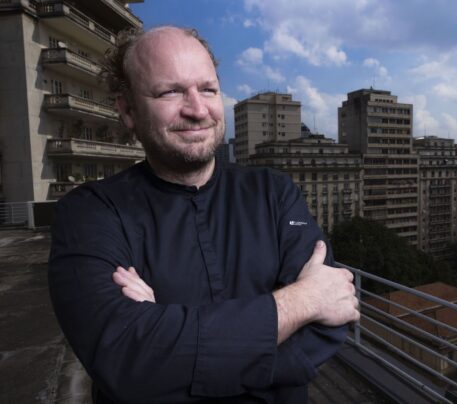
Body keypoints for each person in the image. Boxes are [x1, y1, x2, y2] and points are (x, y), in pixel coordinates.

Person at [48, 26, 359, 404]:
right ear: (128, 110)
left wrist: (170, 346)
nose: (197, 110)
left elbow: (331, 321)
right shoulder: (88, 214)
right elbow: (125, 357)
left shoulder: (275, 193)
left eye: (208, 89)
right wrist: (303, 302)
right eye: (170, 91)